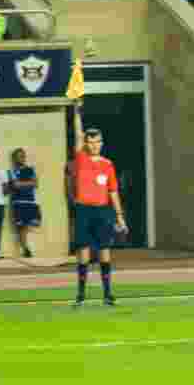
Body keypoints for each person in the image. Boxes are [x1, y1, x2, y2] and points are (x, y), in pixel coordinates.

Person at [71, 103, 127, 306]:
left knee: (104, 250)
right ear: (86, 143)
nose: (94, 145)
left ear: (101, 143)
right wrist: (77, 112)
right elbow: (77, 134)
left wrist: (119, 216)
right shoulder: (81, 159)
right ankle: (81, 294)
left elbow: (113, 191)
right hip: (84, 210)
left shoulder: (108, 164)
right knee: (84, 252)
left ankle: (107, 294)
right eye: (90, 141)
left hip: (104, 211)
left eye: (97, 142)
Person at [9, 148, 41, 258]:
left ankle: (26, 247)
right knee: (21, 227)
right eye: (18, 156)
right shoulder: (12, 171)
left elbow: (36, 184)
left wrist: (22, 183)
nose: (21, 158)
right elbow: (15, 185)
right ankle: (25, 249)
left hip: (30, 201)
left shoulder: (30, 169)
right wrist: (29, 183)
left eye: (23, 155)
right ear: (14, 158)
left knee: (31, 225)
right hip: (18, 202)